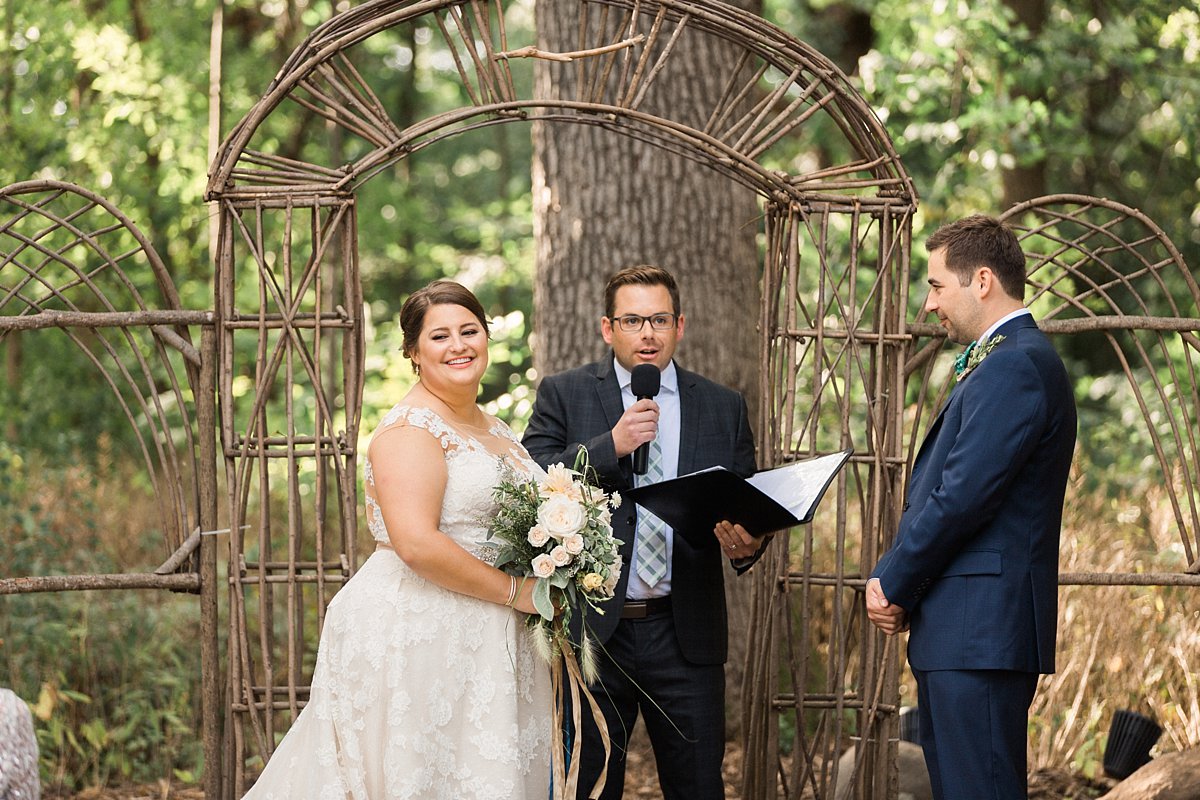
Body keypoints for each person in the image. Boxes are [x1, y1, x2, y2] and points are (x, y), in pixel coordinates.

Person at [243, 280, 552, 800]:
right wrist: (518, 593)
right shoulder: (411, 430)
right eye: (440, 336)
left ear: (486, 338)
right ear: (413, 352)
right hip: (420, 629)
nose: (458, 345)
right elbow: (416, 544)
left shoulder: (494, 427)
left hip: (490, 636)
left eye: (469, 331)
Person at [522, 265, 769, 800]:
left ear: (680, 325)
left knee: (699, 787)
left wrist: (750, 543)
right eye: (633, 320)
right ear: (608, 329)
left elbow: (745, 500)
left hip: (686, 634)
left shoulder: (722, 405)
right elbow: (531, 477)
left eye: (659, 319)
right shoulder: (564, 394)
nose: (648, 333)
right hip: (594, 634)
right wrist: (610, 445)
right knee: (585, 787)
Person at [866, 215, 1077, 800]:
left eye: (936, 285)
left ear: (981, 280)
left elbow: (962, 496)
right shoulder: (1006, 360)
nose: (930, 304)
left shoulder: (1016, 365)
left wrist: (894, 580)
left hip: (979, 629)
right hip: (964, 628)